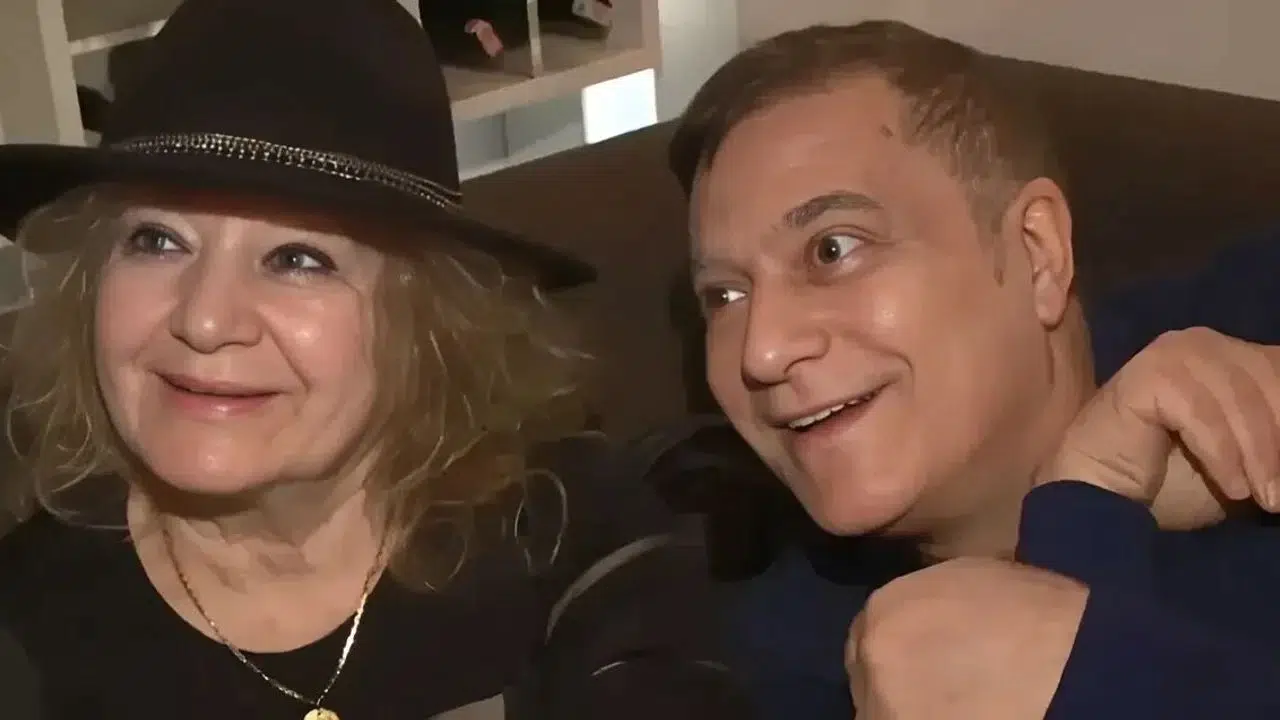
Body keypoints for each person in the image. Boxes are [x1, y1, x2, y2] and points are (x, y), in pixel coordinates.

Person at [0, 1, 750, 718]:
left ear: (425, 322)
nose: (204, 319)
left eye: (298, 259)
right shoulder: (24, 634)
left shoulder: (567, 535)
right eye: (157, 241)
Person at [666, 19, 1280, 718]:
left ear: (1037, 254)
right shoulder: (801, 661)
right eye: (725, 296)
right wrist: (1089, 510)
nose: (762, 351)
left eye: (832, 250)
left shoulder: (1244, 310)